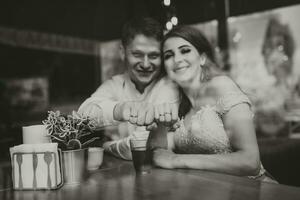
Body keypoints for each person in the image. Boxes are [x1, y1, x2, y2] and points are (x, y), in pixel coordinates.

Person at [151, 25, 277, 182]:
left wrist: (176, 160)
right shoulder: (178, 106)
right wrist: (160, 124)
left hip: (252, 189)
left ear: (202, 58)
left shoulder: (221, 86)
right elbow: (159, 154)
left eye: (185, 50)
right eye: (169, 55)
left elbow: (251, 162)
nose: (177, 60)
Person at [78, 17, 179, 160]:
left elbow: (143, 145)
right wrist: (119, 110)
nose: (145, 64)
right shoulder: (114, 84)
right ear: (122, 52)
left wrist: (106, 146)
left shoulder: (169, 86)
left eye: (154, 56)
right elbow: (82, 115)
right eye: (137, 54)